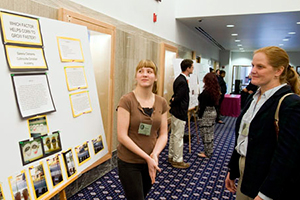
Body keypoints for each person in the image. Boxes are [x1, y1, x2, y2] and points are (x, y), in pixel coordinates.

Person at [225, 46, 300, 200]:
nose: (252, 71)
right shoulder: (254, 98)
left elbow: (287, 156)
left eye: (260, 67)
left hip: (268, 180)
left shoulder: (290, 103)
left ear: (278, 71)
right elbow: (242, 136)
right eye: (253, 65)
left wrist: (266, 194)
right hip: (247, 170)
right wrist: (233, 170)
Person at [117, 60, 168, 200]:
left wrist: (155, 154)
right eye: (141, 71)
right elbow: (122, 136)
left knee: (142, 195)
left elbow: (163, 134)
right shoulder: (126, 101)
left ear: (155, 77)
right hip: (129, 162)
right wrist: (147, 157)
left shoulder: (161, 102)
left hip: (150, 161)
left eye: (149, 71)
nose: (145, 74)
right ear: (136, 76)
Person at [168, 59, 194, 169]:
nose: (193, 69)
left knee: (174, 135)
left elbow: (176, 97)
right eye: (192, 67)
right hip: (179, 112)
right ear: (187, 68)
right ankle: (177, 160)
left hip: (175, 112)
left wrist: (173, 100)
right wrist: (173, 100)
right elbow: (178, 97)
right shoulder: (182, 81)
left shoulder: (179, 79)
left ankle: (172, 156)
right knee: (178, 137)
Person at [197, 72, 220, 158]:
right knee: (210, 133)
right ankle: (209, 150)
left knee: (205, 133)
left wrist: (199, 116)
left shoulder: (206, 92)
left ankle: (207, 153)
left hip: (206, 114)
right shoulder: (215, 91)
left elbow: (202, 106)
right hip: (212, 112)